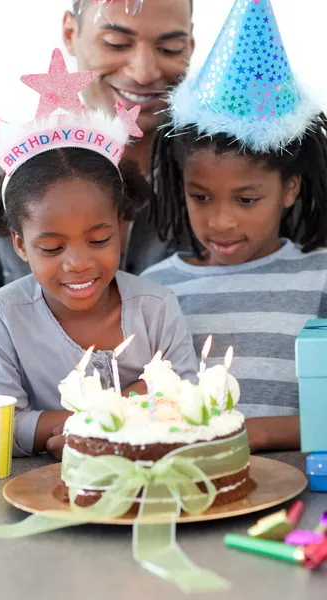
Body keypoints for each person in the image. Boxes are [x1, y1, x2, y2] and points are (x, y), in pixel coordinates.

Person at [0, 0, 194, 432]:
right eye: (116, 41)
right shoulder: (0, 186)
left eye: (169, 47)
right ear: (70, 32)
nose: (144, 71)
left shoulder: (225, 182)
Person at [0, 51, 197, 459]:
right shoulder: (2, 315)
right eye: (52, 247)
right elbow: (0, 423)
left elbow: (185, 396)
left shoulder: (157, 306)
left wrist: (80, 425)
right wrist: (125, 407)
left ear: (122, 225)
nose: (78, 263)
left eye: (98, 240)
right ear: (20, 243)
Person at [142, 0, 327, 453]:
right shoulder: (153, 291)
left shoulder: (320, 279)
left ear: (290, 189)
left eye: (247, 200)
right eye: (200, 196)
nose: (220, 221)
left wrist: (245, 434)